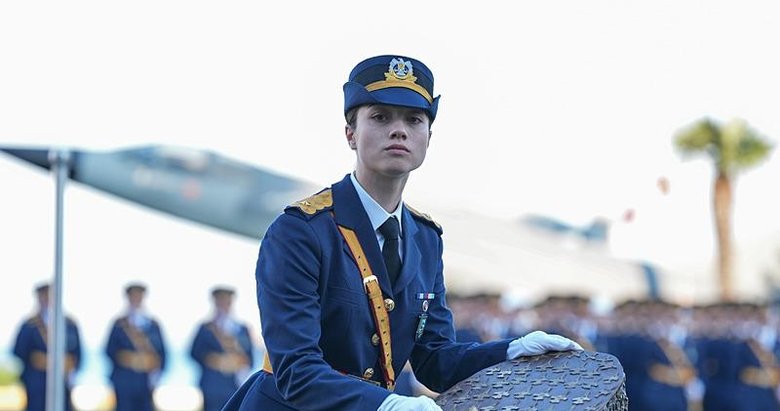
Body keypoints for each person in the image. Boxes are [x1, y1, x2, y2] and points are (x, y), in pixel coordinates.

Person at [221, 54, 582, 411]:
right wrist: (388, 404)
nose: (399, 130)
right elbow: (296, 371)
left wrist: (510, 351)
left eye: (414, 119)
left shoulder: (425, 239)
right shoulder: (301, 231)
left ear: (428, 137)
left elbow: (436, 362)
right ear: (350, 134)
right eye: (380, 117)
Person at [12, 283, 82, 411]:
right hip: (37, 383)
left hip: (62, 382)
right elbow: (18, 351)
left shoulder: (69, 324)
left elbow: (78, 354)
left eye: (50, 296)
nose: (47, 299)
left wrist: (69, 364)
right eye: (43, 296)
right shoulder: (29, 325)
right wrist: (40, 360)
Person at [189, 286, 255, 411]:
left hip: (234, 384)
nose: (224, 304)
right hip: (212, 385)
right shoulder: (205, 328)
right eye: (220, 300)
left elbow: (249, 359)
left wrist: (235, 362)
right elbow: (194, 353)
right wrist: (215, 360)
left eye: (226, 300)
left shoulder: (242, 329)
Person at [104, 282, 167, 411]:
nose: (136, 299)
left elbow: (162, 354)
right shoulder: (119, 325)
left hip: (145, 381)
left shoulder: (153, 325)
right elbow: (110, 351)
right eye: (133, 296)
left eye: (139, 296)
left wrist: (156, 375)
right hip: (125, 381)